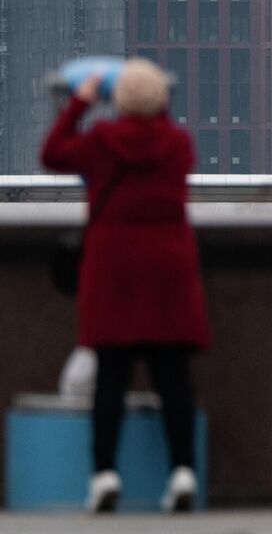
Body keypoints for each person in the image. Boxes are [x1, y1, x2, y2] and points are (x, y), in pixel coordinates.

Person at [42, 60, 207, 514]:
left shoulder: (101, 143)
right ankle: (182, 472)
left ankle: (104, 474)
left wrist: (79, 102)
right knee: (172, 375)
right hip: (167, 268)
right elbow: (157, 139)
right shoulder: (178, 144)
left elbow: (53, 153)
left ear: (117, 102)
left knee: (110, 377)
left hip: (114, 268)